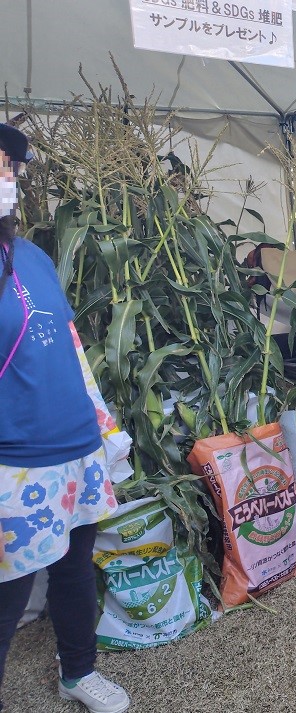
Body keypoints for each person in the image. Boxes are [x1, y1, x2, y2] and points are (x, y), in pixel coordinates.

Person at [0, 124, 130, 713]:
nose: (8, 176)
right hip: (15, 462)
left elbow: (72, 349)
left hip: (77, 447)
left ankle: (78, 672)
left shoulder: (32, 256)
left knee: (76, 571)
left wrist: (103, 428)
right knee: (7, 593)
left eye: (12, 167)